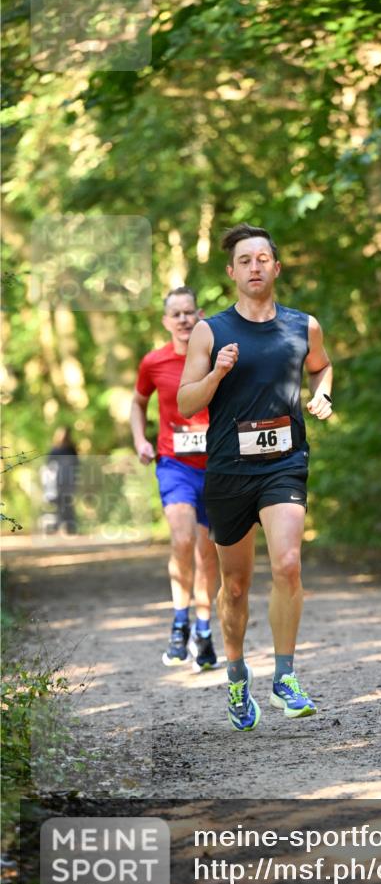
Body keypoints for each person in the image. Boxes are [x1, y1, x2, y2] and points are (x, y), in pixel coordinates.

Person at [177, 224, 333, 731]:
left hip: (284, 462)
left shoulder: (303, 326)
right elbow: (186, 402)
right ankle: (237, 676)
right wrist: (216, 373)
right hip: (229, 468)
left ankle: (285, 675)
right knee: (237, 586)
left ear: (276, 267)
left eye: (263, 258)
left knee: (287, 563)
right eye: (245, 261)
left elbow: (322, 367)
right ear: (232, 272)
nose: (255, 267)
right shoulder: (210, 331)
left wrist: (323, 392)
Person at [130, 286, 220, 672]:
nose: (183, 319)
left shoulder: (217, 357)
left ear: (200, 315)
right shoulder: (154, 362)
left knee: (207, 553)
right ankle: (180, 621)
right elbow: (138, 403)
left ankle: (204, 629)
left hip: (217, 467)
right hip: (174, 464)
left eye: (189, 312)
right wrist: (140, 440)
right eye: (176, 314)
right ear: (166, 321)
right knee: (182, 539)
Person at [41, 426, 80, 534]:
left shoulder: (69, 449)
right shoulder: (58, 449)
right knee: (62, 503)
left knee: (65, 503)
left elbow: (76, 464)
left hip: (67, 480)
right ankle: (64, 526)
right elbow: (49, 465)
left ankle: (68, 526)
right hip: (59, 480)